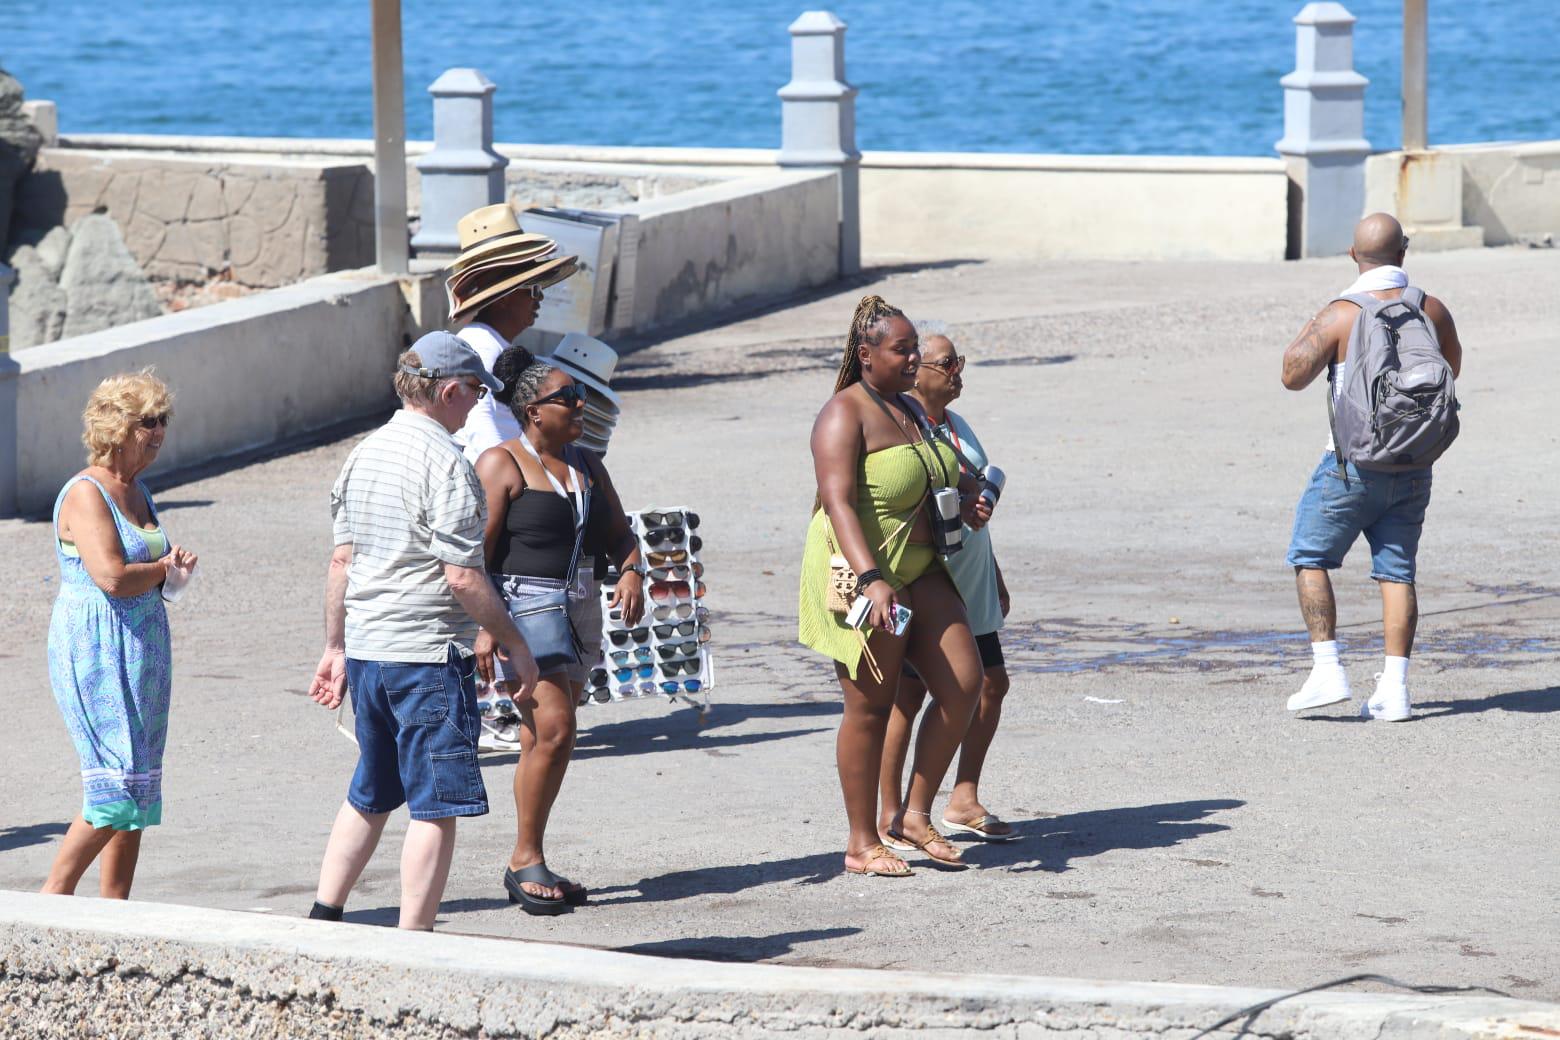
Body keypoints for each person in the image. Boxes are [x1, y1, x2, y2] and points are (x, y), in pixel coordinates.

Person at [306, 331, 540, 931]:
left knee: (373, 790)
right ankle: (415, 937)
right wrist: (513, 641)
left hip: (369, 651)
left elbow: (342, 562)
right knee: (437, 802)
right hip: (427, 657)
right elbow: (462, 576)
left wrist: (335, 646)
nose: (475, 410)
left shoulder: (365, 452)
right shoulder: (447, 463)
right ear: (450, 390)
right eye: (473, 397)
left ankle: (323, 913)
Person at [799, 295, 992, 878]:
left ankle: (913, 815)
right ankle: (861, 841)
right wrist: (871, 580)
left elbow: (948, 470)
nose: (914, 359)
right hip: (863, 571)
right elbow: (836, 503)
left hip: (922, 564)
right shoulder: (844, 412)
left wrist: (973, 495)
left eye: (915, 349)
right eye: (901, 349)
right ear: (865, 354)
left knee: (965, 684)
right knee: (870, 707)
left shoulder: (908, 407)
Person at [473, 345, 644, 914]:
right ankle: (525, 857)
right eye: (567, 398)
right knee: (557, 729)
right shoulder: (503, 463)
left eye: (581, 396)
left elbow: (620, 535)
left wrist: (633, 571)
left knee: (539, 737)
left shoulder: (588, 464)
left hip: (580, 605)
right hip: (524, 607)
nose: (580, 405)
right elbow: (478, 554)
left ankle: (531, 852)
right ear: (532, 411)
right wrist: (487, 626)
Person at [1280, 212, 1463, 722]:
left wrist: (1325, 323)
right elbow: (1451, 371)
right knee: (1397, 573)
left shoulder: (1343, 311)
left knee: (1310, 556)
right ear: (1404, 252)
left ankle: (1327, 669)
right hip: (1413, 464)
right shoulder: (1432, 308)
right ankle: (1396, 689)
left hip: (1349, 467)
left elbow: (1292, 375)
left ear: (1352, 255)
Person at [41, 370, 197, 899]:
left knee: (141, 787)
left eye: (161, 421)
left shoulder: (138, 488)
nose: (156, 432)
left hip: (145, 646)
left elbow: (148, 578)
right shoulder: (86, 493)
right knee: (116, 785)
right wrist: (161, 569)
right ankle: (51, 899)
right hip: (97, 649)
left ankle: (115, 912)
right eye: (144, 422)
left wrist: (172, 576)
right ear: (114, 426)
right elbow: (109, 576)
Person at [445, 203, 579, 752]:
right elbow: (481, 437)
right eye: (529, 288)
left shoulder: (498, 352)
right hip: (487, 495)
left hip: (496, 489)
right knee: (482, 604)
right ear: (501, 293)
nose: (538, 298)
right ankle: (488, 712)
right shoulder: (480, 354)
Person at [878, 334, 1017, 844]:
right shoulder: (902, 426)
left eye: (961, 362)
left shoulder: (955, 424)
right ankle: (894, 812)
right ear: (917, 372)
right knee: (908, 696)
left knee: (991, 684)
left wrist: (996, 570)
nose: (959, 371)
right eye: (948, 363)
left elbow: (977, 500)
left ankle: (963, 797)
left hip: (974, 579)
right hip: (934, 581)